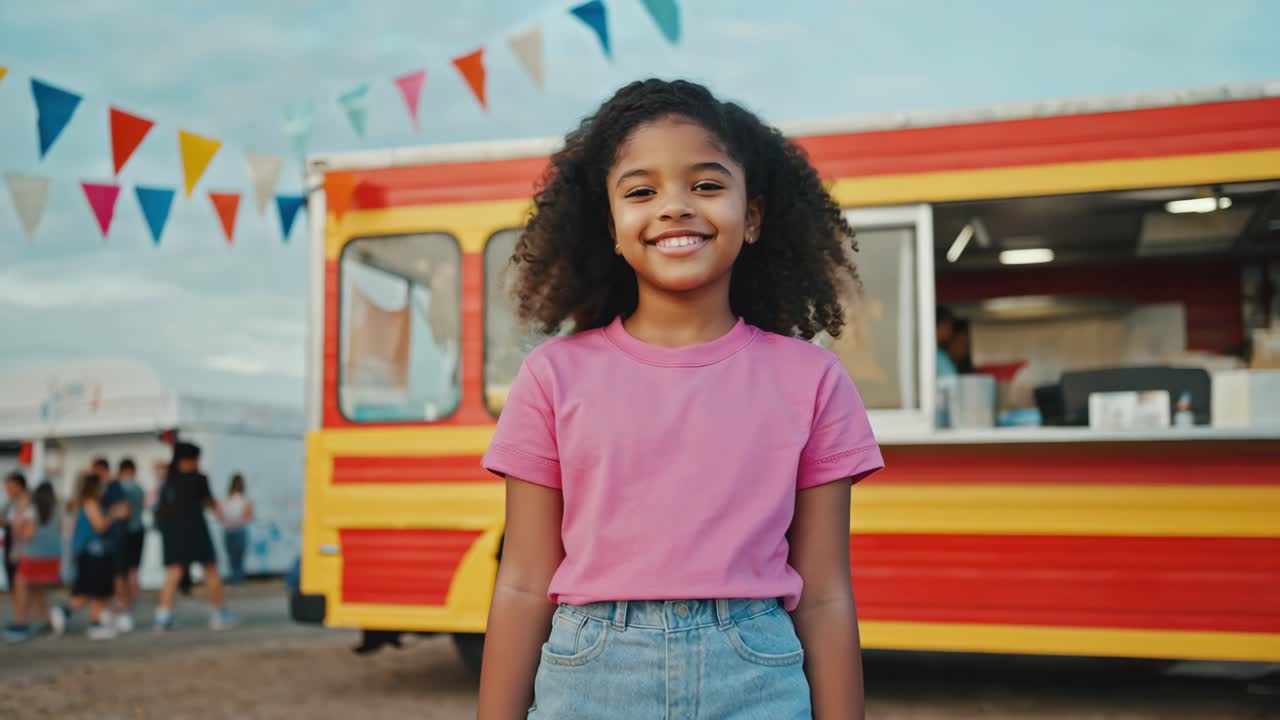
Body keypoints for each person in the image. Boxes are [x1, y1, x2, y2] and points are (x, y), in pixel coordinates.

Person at [475, 79, 884, 719]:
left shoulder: (814, 381)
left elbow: (826, 591)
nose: (674, 207)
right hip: (590, 680)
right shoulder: (552, 377)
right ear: (611, 227)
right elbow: (524, 581)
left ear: (752, 217)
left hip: (758, 679)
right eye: (641, 191)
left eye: (707, 185)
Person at [153, 442, 236, 631]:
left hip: (172, 533)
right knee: (210, 569)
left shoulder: (168, 481)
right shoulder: (199, 479)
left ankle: (163, 615)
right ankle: (219, 613)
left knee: (173, 572)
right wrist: (222, 515)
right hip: (195, 530)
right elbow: (211, 503)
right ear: (188, 460)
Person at [50, 472, 122, 640]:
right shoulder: (90, 503)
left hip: (91, 554)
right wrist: (113, 515)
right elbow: (100, 526)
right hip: (94, 555)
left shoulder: (83, 503)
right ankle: (94, 624)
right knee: (97, 592)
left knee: (88, 592)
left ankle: (64, 613)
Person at [4, 482, 63, 642]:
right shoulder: (58, 510)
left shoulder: (32, 509)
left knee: (21, 587)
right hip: (53, 558)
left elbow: (28, 534)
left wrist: (17, 523)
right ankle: (48, 622)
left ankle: (21, 623)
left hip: (33, 556)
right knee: (40, 591)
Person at [107, 458, 146, 632]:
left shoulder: (119, 487)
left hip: (124, 533)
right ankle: (131, 607)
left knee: (120, 573)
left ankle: (122, 607)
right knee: (134, 571)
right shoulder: (139, 488)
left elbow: (122, 510)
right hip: (139, 530)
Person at [3, 471, 31, 638]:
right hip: (12, 546)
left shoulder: (25, 502)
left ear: (19, 486)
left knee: (20, 586)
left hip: (20, 549)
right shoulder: (12, 503)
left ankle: (22, 622)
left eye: (10, 486)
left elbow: (24, 528)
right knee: (14, 586)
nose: (8, 490)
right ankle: (18, 619)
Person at [221, 473, 254, 586]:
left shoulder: (228, 500)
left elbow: (221, 515)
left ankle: (236, 580)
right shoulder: (244, 500)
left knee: (234, 558)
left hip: (231, 530)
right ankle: (237, 581)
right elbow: (249, 515)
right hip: (237, 530)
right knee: (237, 558)